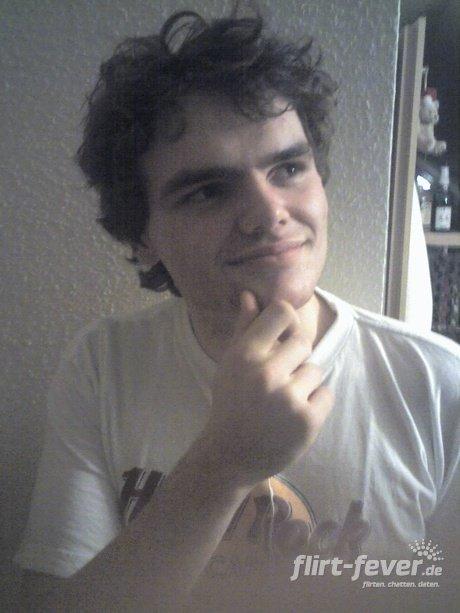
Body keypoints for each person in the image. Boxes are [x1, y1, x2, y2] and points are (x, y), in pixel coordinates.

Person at [15, 9, 459, 611]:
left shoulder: (439, 384)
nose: (269, 212)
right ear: (142, 237)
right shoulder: (103, 366)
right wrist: (224, 464)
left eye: (289, 168)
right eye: (208, 191)